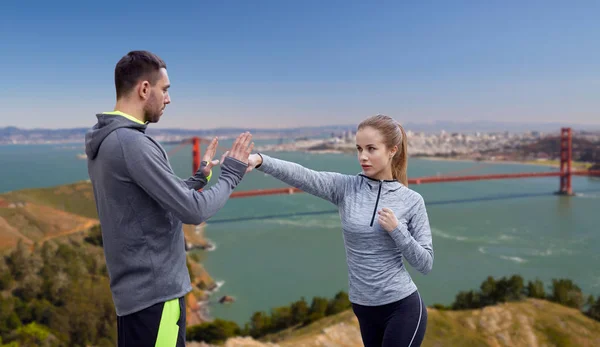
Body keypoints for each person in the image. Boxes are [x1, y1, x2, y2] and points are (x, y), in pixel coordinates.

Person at [85, 50, 254, 347]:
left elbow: (151, 201)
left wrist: (199, 178)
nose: (169, 99)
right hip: (156, 296)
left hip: (136, 297)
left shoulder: (108, 140)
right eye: (165, 90)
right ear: (144, 89)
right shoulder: (133, 144)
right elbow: (193, 211)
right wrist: (232, 174)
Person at [247, 114, 433, 347]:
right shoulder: (346, 188)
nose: (363, 156)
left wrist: (398, 231)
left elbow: (426, 263)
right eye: (359, 149)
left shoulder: (412, 200)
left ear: (392, 150)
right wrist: (260, 160)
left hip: (402, 307)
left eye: (371, 149)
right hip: (364, 308)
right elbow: (303, 175)